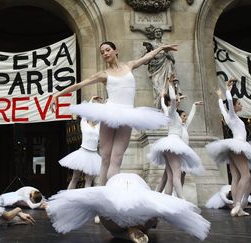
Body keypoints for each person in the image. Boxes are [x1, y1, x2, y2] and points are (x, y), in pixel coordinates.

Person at [50, 41, 174, 186]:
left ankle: (111, 191)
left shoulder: (129, 66)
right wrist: (56, 95)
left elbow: (147, 57)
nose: (105, 54)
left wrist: (161, 48)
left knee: (117, 158)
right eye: (102, 52)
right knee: (105, 157)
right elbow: (79, 85)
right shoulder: (104, 74)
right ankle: (102, 191)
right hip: (110, 113)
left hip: (127, 114)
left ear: (116, 50)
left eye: (107, 50)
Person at [46, 173, 210, 242]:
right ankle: (132, 230)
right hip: (131, 194)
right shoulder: (145, 200)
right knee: (144, 216)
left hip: (118, 197)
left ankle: (130, 230)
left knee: (112, 223)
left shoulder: (114, 187)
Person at [148, 79, 204, 198]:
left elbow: (165, 103)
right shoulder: (172, 111)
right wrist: (170, 85)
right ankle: (181, 200)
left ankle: (166, 200)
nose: (178, 101)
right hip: (173, 142)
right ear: (171, 103)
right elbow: (172, 100)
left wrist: (163, 97)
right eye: (177, 100)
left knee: (170, 176)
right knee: (176, 175)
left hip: (173, 143)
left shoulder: (171, 112)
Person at [206, 79, 251, 217]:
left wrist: (220, 96)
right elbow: (229, 103)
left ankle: (237, 206)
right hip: (238, 145)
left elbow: (222, 107)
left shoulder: (228, 117)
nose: (240, 105)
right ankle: (238, 205)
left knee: (236, 176)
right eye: (239, 103)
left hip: (233, 147)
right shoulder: (232, 115)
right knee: (246, 175)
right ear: (235, 106)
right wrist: (227, 89)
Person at [58, 96, 102, 189]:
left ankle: (87, 200)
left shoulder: (98, 126)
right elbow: (85, 111)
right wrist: (91, 100)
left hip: (93, 155)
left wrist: (100, 105)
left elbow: (103, 116)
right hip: (83, 153)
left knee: (89, 181)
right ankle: (67, 198)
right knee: (75, 178)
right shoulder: (83, 124)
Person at [142, 27, 181, 107]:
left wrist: (166, 53)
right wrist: (149, 51)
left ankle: (168, 108)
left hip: (166, 68)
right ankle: (158, 108)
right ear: (154, 34)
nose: (158, 33)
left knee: (168, 90)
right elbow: (144, 61)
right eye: (156, 31)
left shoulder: (165, 45)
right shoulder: (151, 45)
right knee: (158, 90)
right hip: (156, 71)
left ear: (161, 34)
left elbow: (172, 60)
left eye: (159, 31)